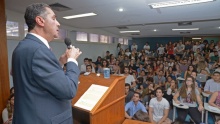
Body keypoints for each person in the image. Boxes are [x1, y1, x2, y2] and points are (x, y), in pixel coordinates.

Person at [12, 3, 82, 124]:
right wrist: (72, 60)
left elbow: (30, 76)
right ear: (40, 20)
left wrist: (60, 62)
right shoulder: (39, 50)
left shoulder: (22, 47)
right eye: (54, 18)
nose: (58, 23)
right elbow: (69, 90)